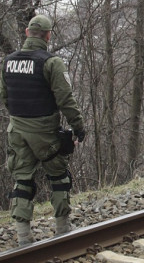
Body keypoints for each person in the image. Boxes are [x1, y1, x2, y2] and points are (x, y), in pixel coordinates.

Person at [1, 15, 86, 246]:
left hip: (17, 130)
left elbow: (5, 98)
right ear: (48, 36)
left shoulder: (8, 61)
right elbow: (65, 99)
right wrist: (78, 126)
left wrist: (20, 119)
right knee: (58, 177)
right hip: (46, 132)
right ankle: (62, 229)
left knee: (22, 180)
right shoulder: (51, 63)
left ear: (27, 33)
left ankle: (23, 237)